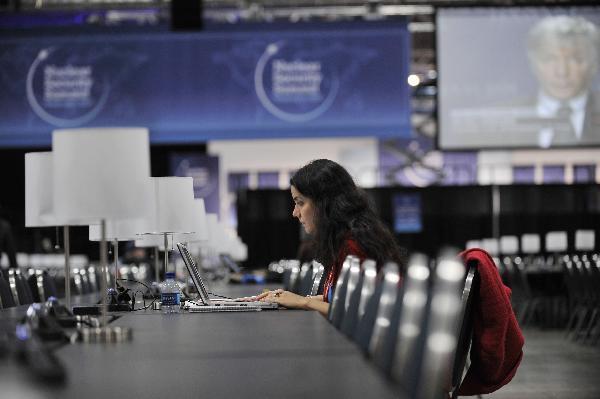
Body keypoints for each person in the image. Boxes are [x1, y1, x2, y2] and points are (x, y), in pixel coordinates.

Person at [244, 159, 405, 317]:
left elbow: (355, 313)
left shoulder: (354, 246)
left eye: (300, 203)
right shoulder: (344, 240)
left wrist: (303, 302)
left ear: (324, 203)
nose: (295, 213)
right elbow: (340, 298)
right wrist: (291, 299)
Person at [525, 15, 600, 148]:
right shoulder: (499, 115)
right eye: (550, 59)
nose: (562, 72)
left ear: (593, 65)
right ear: (533, 64)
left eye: (576, 59)